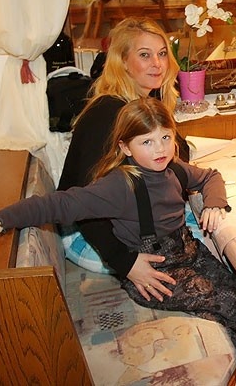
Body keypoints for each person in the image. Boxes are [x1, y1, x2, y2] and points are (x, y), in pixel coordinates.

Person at [0, 98, 236, 359]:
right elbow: (60, 204)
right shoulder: (119, 185)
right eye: (147, 142)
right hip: (154, 273)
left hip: (191, 255)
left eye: (165, 137)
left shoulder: (174, 167)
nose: (160, 149)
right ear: (125, 147)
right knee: (235, 306)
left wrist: (214, 203)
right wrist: (1, 218)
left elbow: (210, 177)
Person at [58, 16, 190, 279]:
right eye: (145, 55)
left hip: (126, 219)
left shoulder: (141, 103)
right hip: (88, 235)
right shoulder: (107, 113)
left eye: (162, 53)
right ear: (123, 62)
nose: (157, 63)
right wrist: (125, 263)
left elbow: (179, 154)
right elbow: (84, 200)